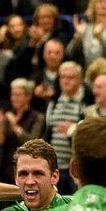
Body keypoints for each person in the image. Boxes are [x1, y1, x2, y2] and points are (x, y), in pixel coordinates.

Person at [44, 61, 88, 194]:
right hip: (56, 166)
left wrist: (73, 130)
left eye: (70, 78)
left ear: (80, 80)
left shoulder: (86, 102)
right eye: (63, 77)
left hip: (76, 168)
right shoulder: (54, 102)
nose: (66, 81)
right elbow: (48, 132)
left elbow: (90, 134)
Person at [0, 78, 45, 182]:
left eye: (18, 95)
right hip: (5, 167)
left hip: (26, 168)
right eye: (13, 95)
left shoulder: (37, 117)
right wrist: (0, 124)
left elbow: (32, 142)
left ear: (28, 97)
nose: (14, 98)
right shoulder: (8, 115)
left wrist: (15, 125)